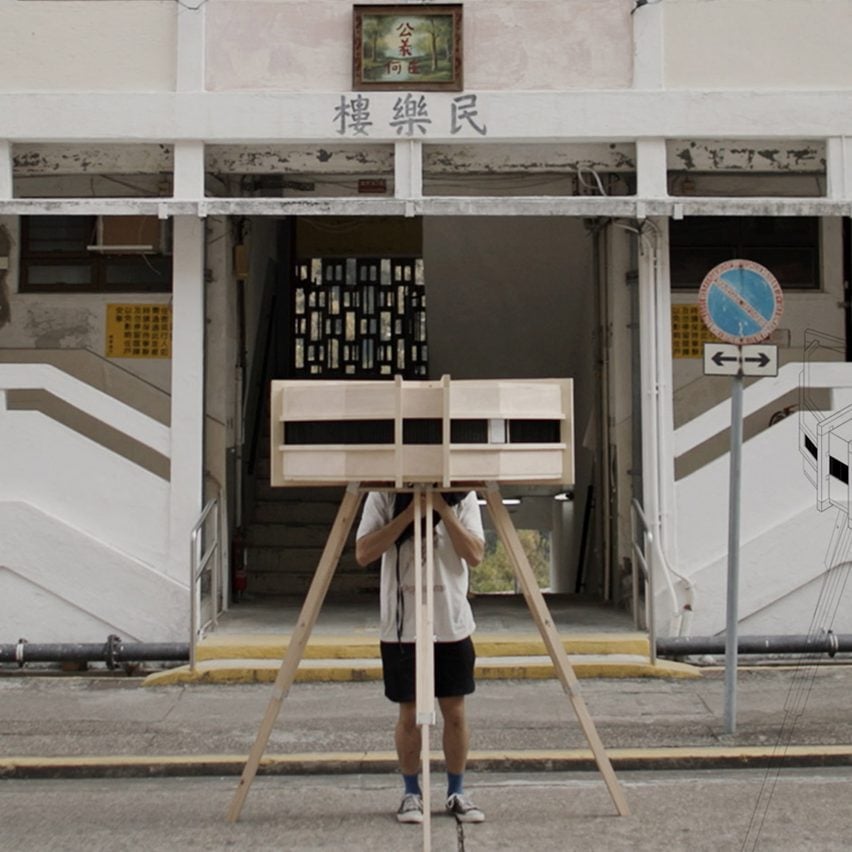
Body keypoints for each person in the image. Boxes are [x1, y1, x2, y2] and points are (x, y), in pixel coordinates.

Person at [355, 488, 486, 825]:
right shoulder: (382, 494)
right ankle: (411, 792)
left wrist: (443, 508)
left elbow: (475, 554)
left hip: (451, 621)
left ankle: (456, 791)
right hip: (403, 625)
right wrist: (409, 514)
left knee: (455, 711)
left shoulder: (463, 494)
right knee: (410, 713)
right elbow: (364, 552)